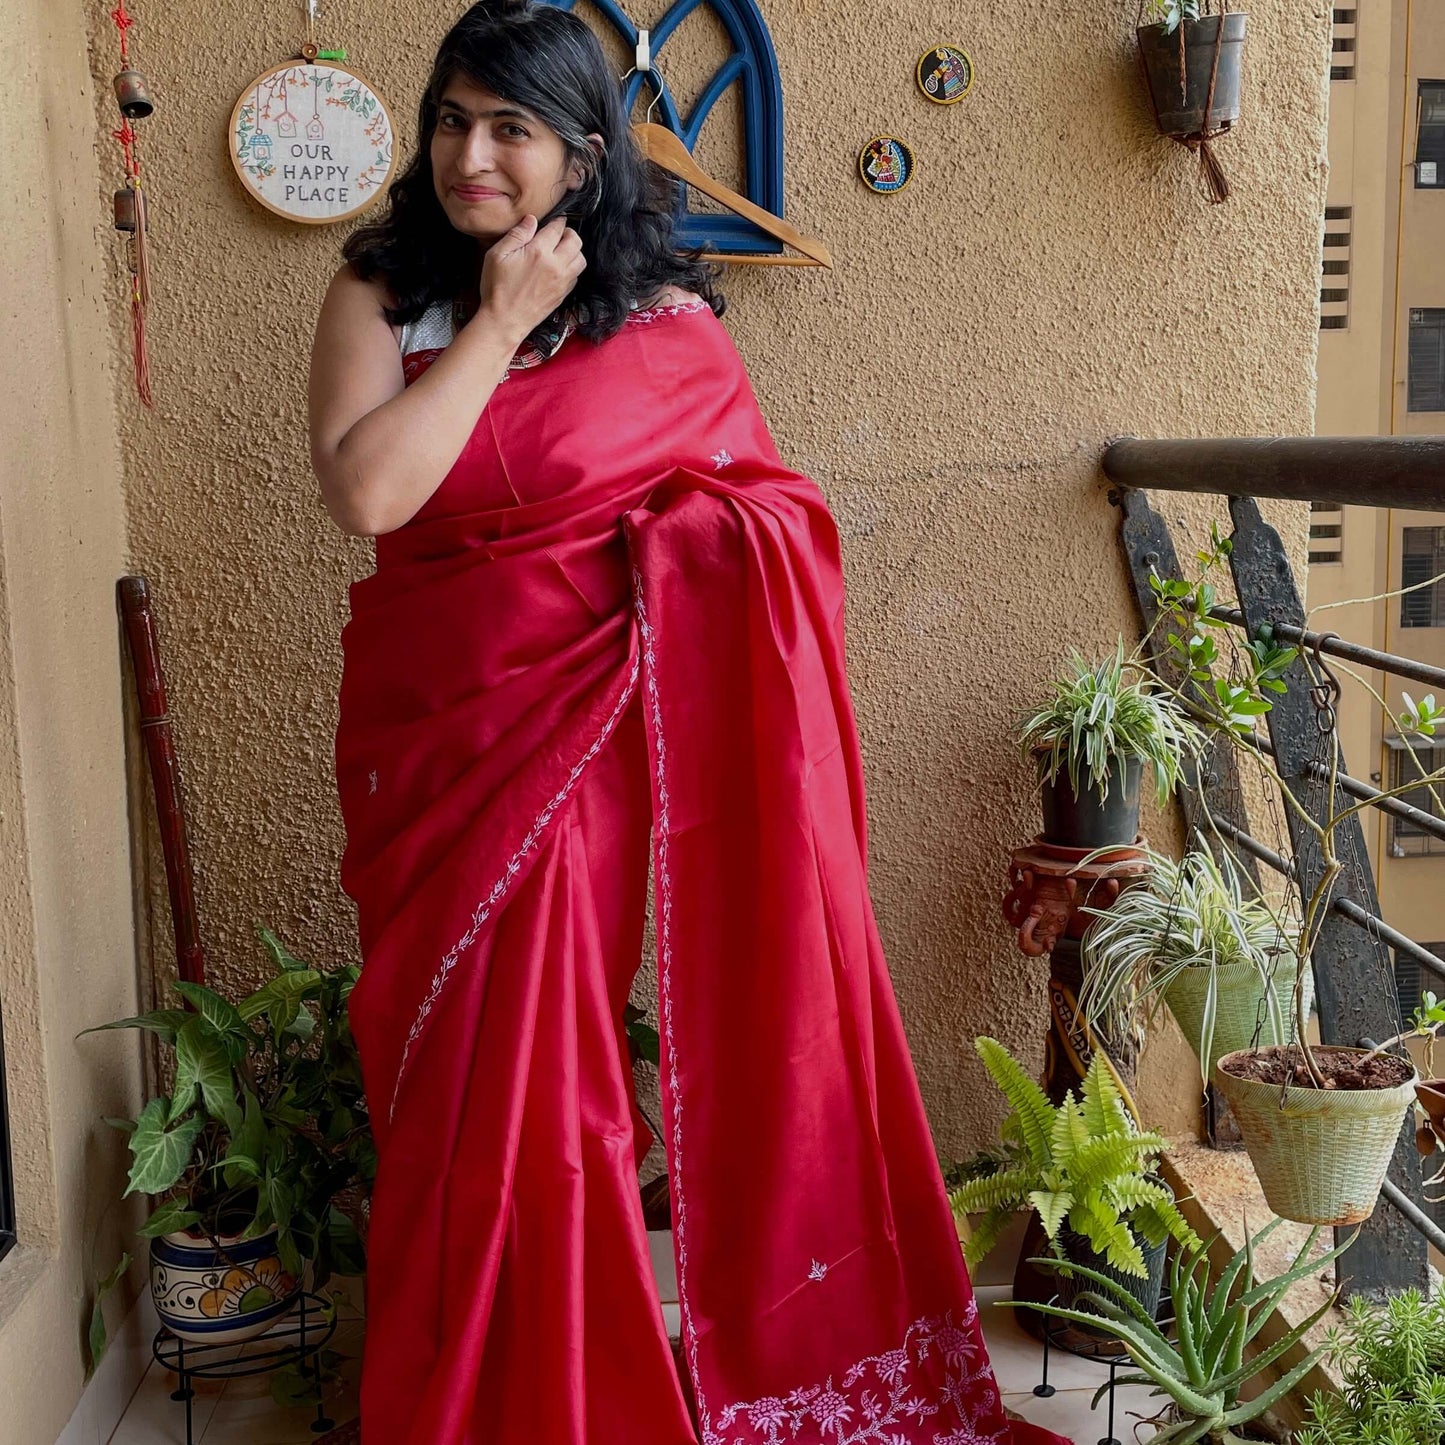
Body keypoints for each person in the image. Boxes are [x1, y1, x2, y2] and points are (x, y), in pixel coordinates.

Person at [309, 4, 1067, 1443]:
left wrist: (690, 552)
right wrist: (495, 324)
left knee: (551, 1079)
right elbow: (371, 494)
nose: (472, 154)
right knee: (433, 1084)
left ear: (584, 156)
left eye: (511, 129)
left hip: (573, 761)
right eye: (452, 119)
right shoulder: (377, 290)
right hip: (432, 752)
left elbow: (763, 518)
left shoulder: (667, 325)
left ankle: (559, 1400)